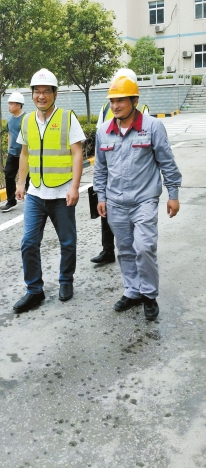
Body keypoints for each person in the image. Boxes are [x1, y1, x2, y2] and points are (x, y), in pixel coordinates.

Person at [93, 75, 182, 321]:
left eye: (121, 100)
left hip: (144, 200)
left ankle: (149, 295)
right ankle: (132, 291)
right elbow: (100, 169)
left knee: (144, 248)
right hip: (115, 202)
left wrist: (172, 194)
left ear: (134, 100)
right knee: (124, 250)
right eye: (112, 101)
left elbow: (167, 163)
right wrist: (101, 196)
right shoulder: (103, 131)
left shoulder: (152, 127)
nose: (115, 106)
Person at [13, 68, 86, 313]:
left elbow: (78, 153)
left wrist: (75, 186)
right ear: (32, 94)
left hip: (62, 193)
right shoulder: (27, 120)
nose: (41, 96)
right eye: (37, 92)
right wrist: (20, 183)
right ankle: (34, 290)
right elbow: (25, 153)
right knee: (28, 243)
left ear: (55, 93)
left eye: (46, 91)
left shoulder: (67, 117)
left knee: (67, 242)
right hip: (36, 193)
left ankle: (66, 281)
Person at [90, 68, 149, 265]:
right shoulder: (106, 108)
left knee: (132, 218)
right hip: (109, 166)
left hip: (131, 173)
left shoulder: (143, 111)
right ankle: (108, 250)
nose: (116, 104)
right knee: (105, 212)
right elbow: (100, 131)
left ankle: (135, 249)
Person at [1, 92, 25, 212]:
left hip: (25, 154)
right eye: (9, 103)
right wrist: (8, 149)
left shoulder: (26, 118)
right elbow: (10, 134)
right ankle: (11, 201)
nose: (9, 106)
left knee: (30, 178)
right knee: (8, 175)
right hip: (13, 153)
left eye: (11, 103)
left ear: (19, 105)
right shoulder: (10, 119)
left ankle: (34, 202)